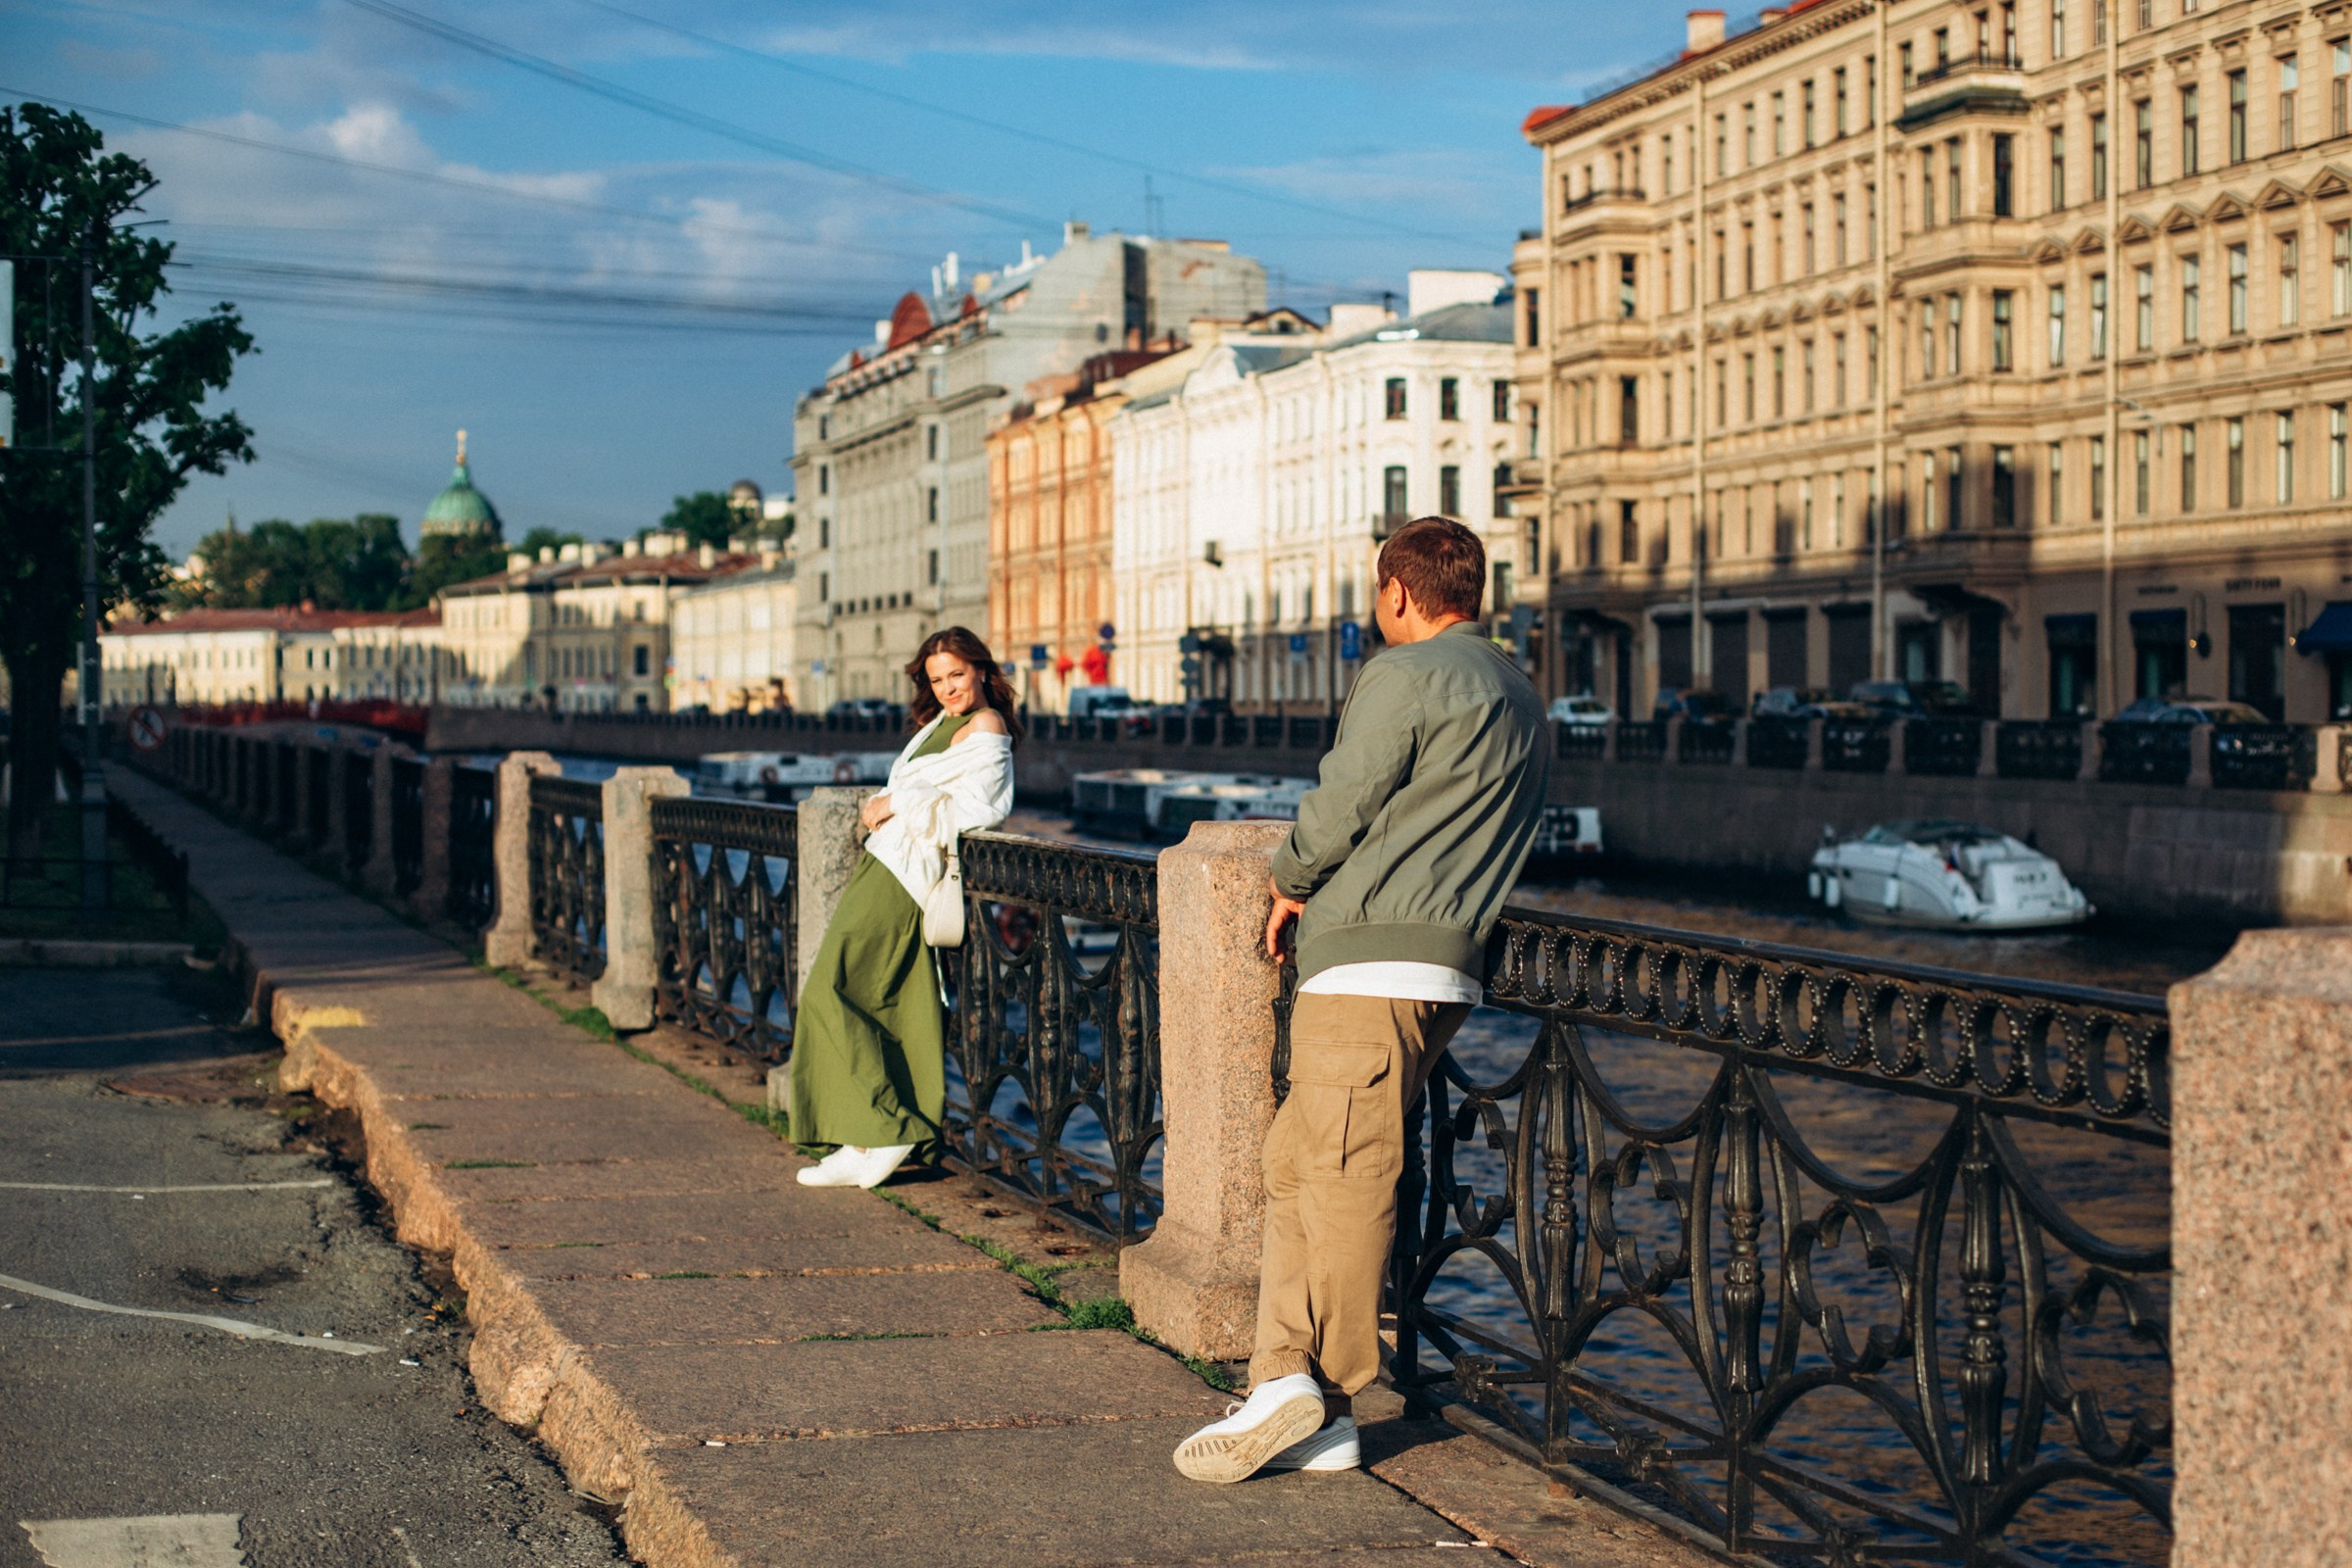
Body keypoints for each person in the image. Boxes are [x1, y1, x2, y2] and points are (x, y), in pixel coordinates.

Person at [1172, 516, 1550, 1483]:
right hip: (1442, 958)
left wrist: (1291, 874)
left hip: (1372, 953)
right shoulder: (1517, 686)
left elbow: (1346, 797)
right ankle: (1292, 1392)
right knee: (1298, 1161)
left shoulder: (1406, 672)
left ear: (1396, 592)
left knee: (1340, 1173)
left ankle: (1323, 1384)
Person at [790, 627, 1020, 1190]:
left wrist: (896, 802)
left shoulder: (987, 727)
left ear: (982, 672)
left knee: (829, 988)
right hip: (886, 863)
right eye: (937, 679)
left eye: (957, 675)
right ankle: (858, 1137)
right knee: (874, 998)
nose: (948, 688)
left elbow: (982, 810)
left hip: (906, 875)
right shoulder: (937, 726)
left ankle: (889, 1126)